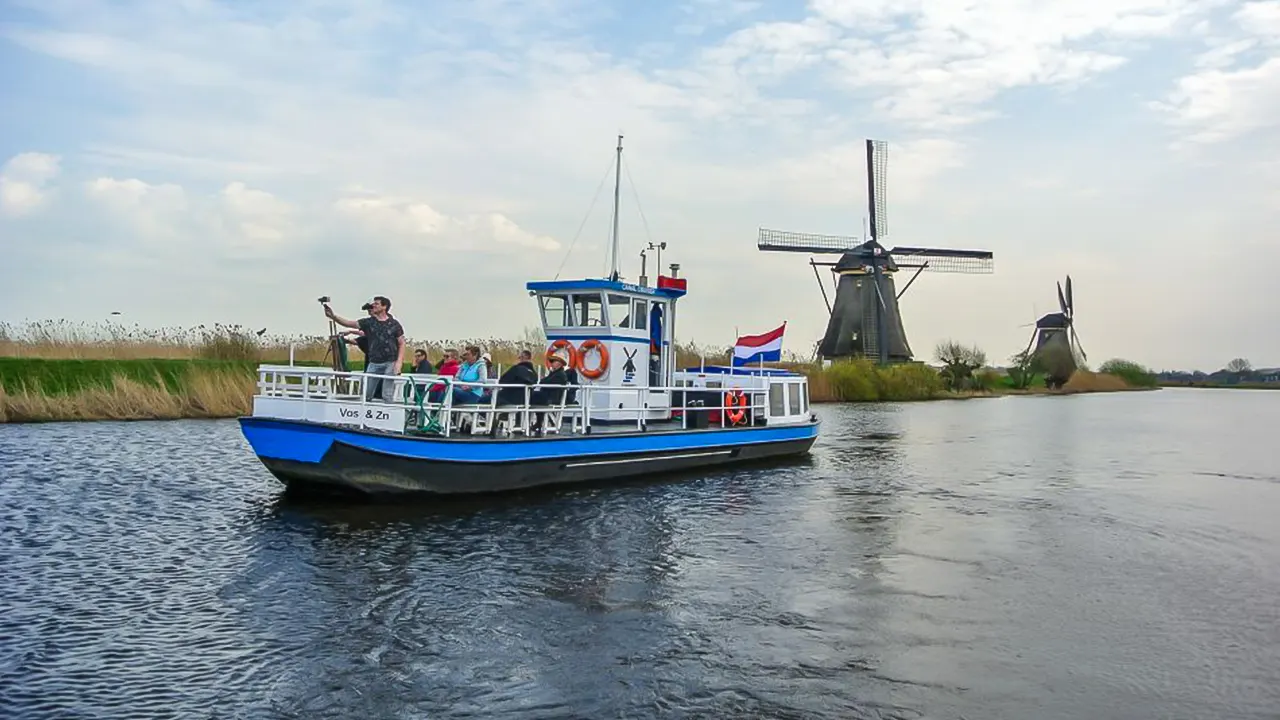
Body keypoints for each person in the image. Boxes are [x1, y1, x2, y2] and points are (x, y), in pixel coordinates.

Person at [325, 295, 405, 402]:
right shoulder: (368, 322)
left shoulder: (395, 324)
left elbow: (402, 343)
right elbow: (349, 323)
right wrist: (333, 316)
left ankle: (387, 415)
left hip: (390, 362)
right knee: (366, 394)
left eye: (376, 304)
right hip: (374, 362)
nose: (373, 306)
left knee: (387, 394)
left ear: (384, 306)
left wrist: (399, 362)